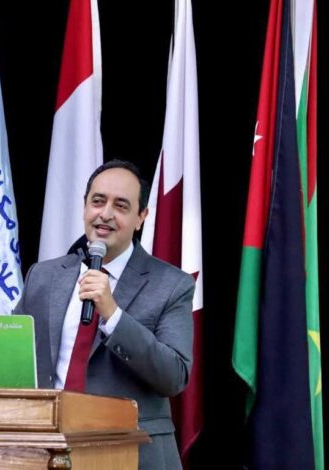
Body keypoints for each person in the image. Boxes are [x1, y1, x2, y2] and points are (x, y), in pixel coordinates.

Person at [13, 160, 194, 470]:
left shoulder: (171, 284)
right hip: (47, 452)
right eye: (98, 201)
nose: (106, 214)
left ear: (141, 217)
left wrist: (113, 314)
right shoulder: (43, 276)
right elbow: (14, 355)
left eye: (121, 206)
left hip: (131, 454)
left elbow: (174, 376)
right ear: (85, 207)